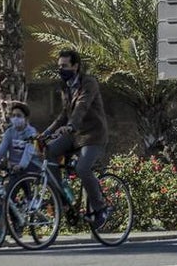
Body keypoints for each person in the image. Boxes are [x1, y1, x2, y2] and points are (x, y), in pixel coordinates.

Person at [43, 50, 109, 227]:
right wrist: (46, 133)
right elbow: (64, 114)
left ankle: (100, 208)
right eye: (59, 66)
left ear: (76, 66)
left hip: (92, 136)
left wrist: (71, 125)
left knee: (82, 168)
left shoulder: (89, 83)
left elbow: (82, 106)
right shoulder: (65, 86)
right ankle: (62, 200)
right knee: (50, 152)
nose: (61, 69)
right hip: (74, 135)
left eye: (65, 66)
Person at [0, 101, 40, 194]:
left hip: (30, 165)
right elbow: (1, 150)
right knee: (10, 194)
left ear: (25, 118)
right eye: (13, 115)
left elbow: (29, 151)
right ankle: (24, 201)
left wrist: (21, 165)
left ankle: (31, 200)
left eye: (19, 115)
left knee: (17, 183)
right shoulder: (10, 132)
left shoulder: (31, 132)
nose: (15, 118)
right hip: (14, 167)